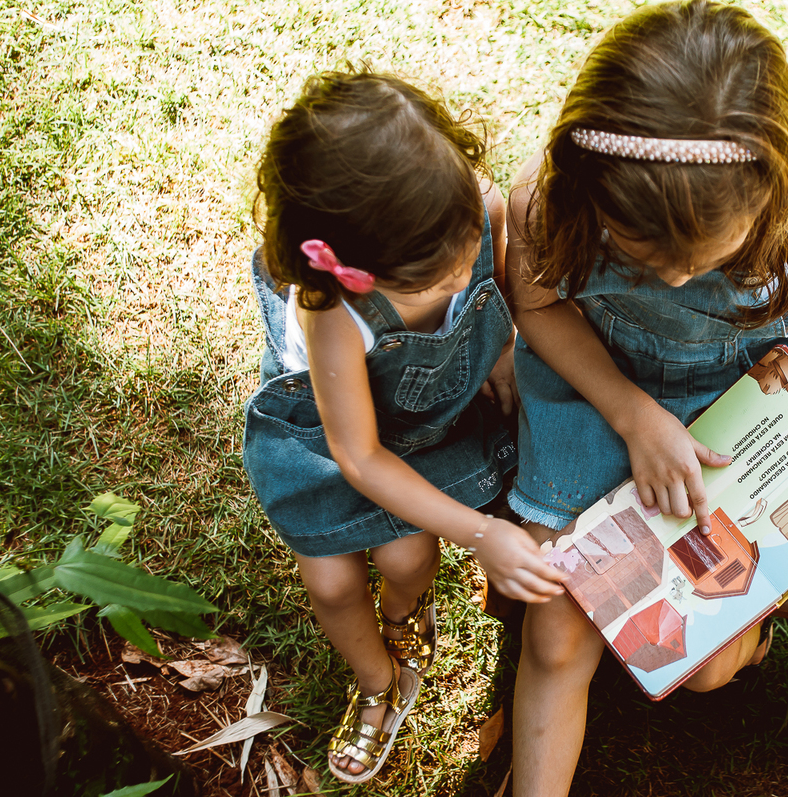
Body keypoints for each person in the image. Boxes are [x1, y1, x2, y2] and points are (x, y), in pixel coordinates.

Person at [503, 2, 788, 794]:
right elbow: (537, 309)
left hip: (747, 387)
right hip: (600, 384)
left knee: (705, 665)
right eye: (643, 256)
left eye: (707, 258)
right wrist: (632, 414)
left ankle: (749, 632)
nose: (676, 277)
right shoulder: (547, 199)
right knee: (556, 629)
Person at [241, 69, 562, 784]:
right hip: (332, 436)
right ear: (357, 273)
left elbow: (492, 284)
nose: (459, 276)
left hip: (430, 418)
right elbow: (357, 456)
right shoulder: (332, 313)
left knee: (408, 560)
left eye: (464, 249)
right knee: (332, 584)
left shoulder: (470, 205)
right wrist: (481, 533)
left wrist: (499, 349)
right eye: (429, 280)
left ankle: (404, 619)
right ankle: (376, 680)